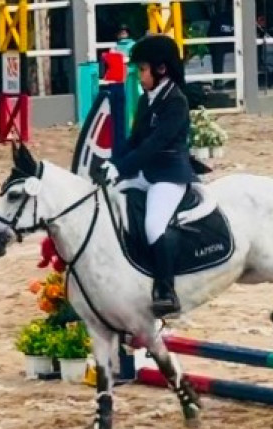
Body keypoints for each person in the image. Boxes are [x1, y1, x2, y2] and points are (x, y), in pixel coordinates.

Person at [98, 34, 198, 319]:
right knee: (110, 200)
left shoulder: (176, 101)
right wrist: (112, 164)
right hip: (146, 173)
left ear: (161, 69)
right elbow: (135, 140)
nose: (139, 76)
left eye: (142, 70)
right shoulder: (147, 100)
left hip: (169, 174)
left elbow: (156, 143)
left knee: (154, 225)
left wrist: (123, 168)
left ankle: (166, 291)